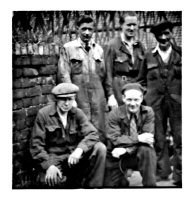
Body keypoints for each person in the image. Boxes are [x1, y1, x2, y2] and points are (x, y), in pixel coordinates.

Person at [30, 83, 107, 188]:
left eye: (70, 99)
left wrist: (79, 150)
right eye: (63, 99)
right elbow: (36, 146)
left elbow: (93, 133)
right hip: (54, 159)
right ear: (56, 99)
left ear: (74, 99)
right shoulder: (44, 114)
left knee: (100, 148)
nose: (67, 103)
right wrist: (49, 165)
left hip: (73, 156)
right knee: (51, 181)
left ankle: (93, 188)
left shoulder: (77, 113)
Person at [137, 21, 182, 186]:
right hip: (154, 103)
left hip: (178, 103)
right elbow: (141, 80)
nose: (164, 38)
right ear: (155, 37)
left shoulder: (182, 54)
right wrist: (144, 99)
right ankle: (162, 172)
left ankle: (181, 175)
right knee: (158, 137)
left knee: (181, 137)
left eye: (167, 33)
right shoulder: (149, 55)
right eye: (160, 35)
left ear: (171, 34)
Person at [57, 15, 111, 144]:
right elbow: (64, 74)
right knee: (80, 127)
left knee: (100, 129)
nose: (87, 32)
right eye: (84, 29)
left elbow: (105, 75)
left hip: (98, 96)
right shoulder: (68, 48)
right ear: (77, 29)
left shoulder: (99, 49)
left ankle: (100, 158)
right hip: (79, 95)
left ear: (93, 30)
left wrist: (110, 96)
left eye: (90, 29)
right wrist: (70, 98)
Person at [104, 83, 157, 187]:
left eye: (136, 100)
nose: (133, 103)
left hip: (135, 153)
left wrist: (127, 149)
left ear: (141, 99)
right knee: (113, 186)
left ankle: (150, 187)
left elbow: (148, 139)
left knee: (147, 150)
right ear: (123, 98)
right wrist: (138, 138)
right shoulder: (114, 114)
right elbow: (115, 139)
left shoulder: (148, 112)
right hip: (117, 156)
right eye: (129, 100)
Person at [104, 11, 146, 107]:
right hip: (119, 89)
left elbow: (144, 72)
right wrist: (110, 95)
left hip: (137, 88)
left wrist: (143, 90)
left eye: (134, 25)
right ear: (121, 25)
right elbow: (108, 73)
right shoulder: (112, 45)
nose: (132, 28)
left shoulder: (140, 46)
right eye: (129, 25)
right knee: (121, 118)